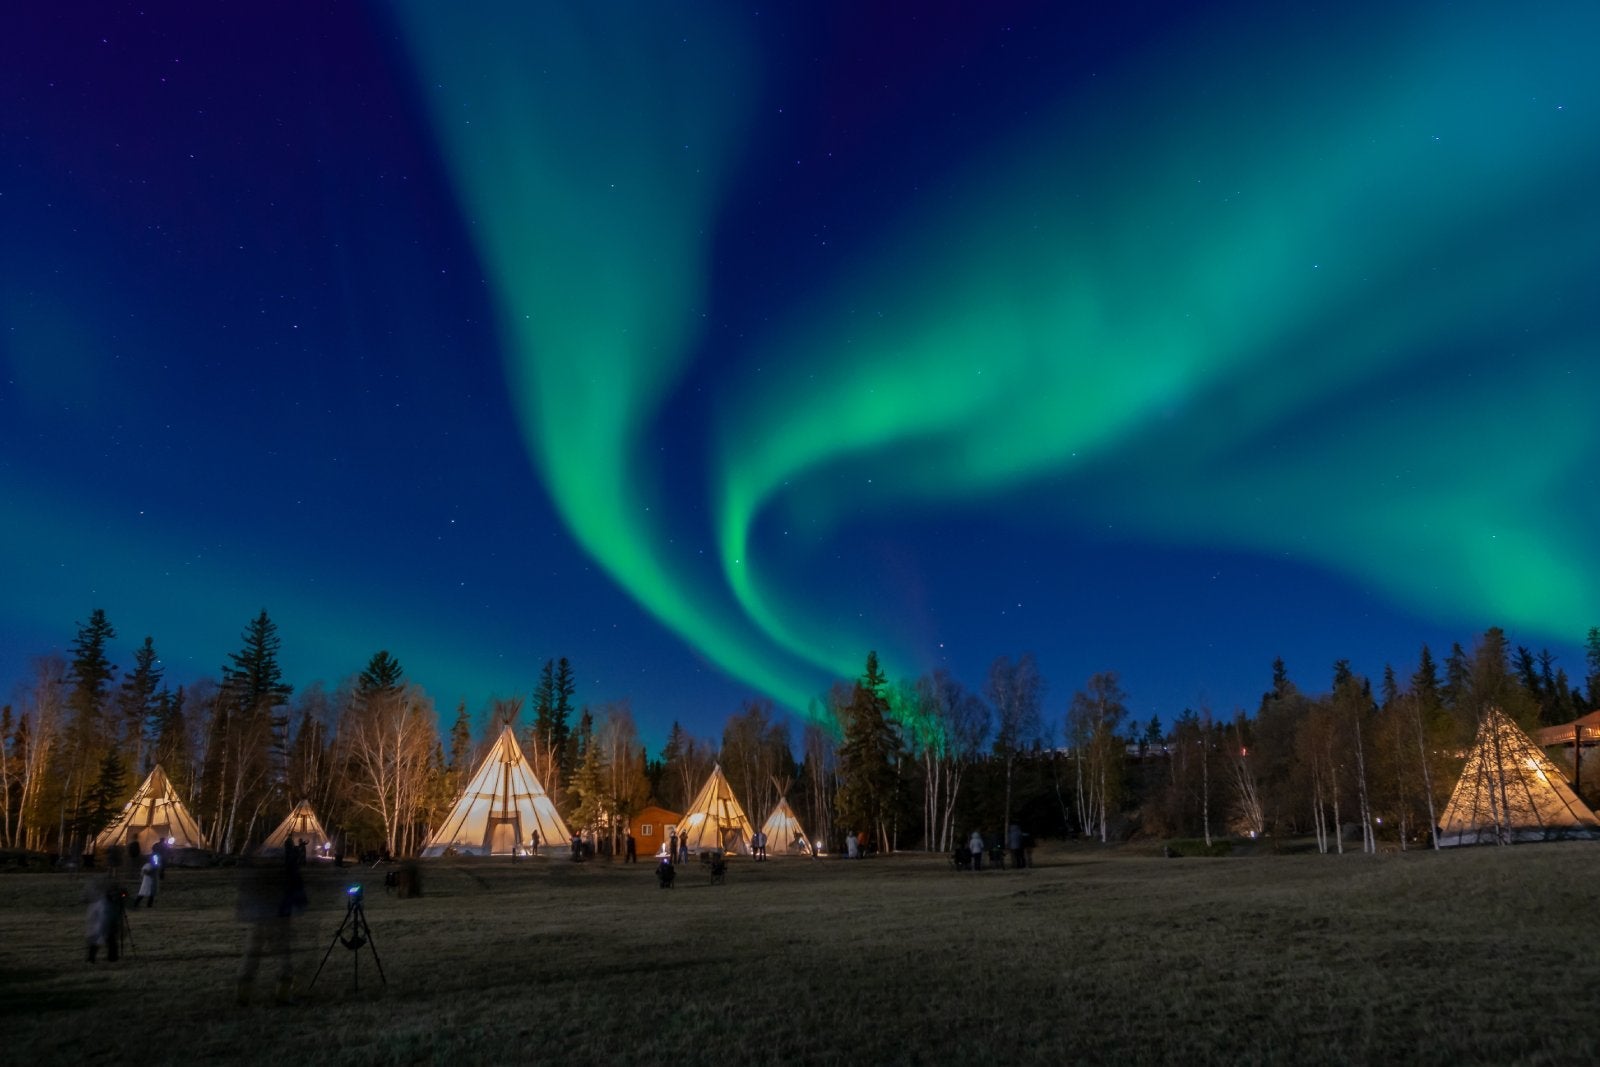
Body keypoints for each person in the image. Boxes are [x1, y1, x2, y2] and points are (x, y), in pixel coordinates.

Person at [84, 876, 122, 963]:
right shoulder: (101, 901)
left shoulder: (109, 901)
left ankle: (112, 957)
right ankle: (92, 958)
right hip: (102, 922)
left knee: (109, 939)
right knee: (98, 939)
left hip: (109, 921)